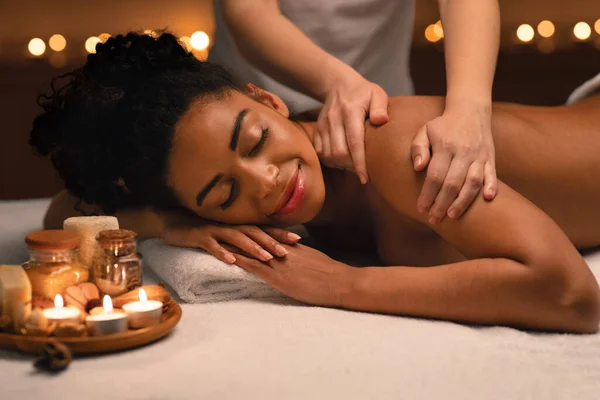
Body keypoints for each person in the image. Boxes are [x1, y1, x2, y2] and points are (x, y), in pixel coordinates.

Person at [32, 33, 600, 333]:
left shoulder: (397, 146)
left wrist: (341, 286)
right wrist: (168, 223)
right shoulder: (205, 213)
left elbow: (572, 296)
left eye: (254, 140)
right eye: (223, 193)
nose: (267, 181)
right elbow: (61, 214)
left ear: (267, 98)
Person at [210, 0, 501, 224]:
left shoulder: (398, 156)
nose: (266, 183)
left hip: (381, 113)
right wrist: (336, 82)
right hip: (239, 119)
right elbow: (248, 9)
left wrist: (468, 107)